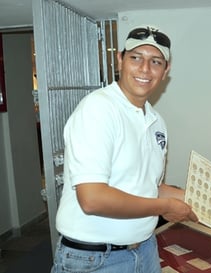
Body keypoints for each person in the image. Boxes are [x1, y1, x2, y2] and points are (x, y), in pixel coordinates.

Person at [51, 25, 198, 273]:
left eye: (156, 62)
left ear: (166, 71)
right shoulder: (98, 109)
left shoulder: (155, 121)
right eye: (136, 58)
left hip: (144, 250)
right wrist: (166, 208)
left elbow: (148, 187)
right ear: (120, 60)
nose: (145, 69)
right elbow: (92, 198)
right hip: (95, 260)